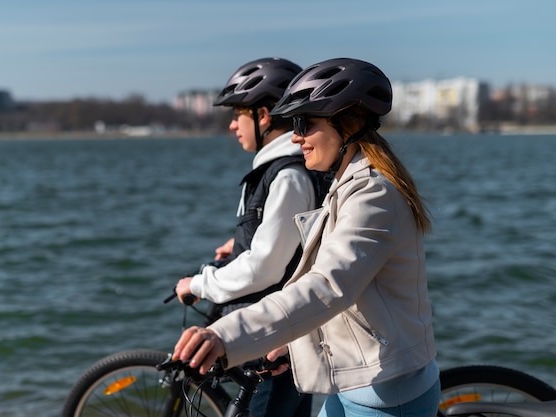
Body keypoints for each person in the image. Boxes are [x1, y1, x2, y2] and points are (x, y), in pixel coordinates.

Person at [172, 58, 440, 417]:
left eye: (304, 123)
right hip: (356, 383)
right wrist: (290, 343)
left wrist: (226, 336)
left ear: (345, 126)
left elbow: (327, 287)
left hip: (386, 394)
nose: (294, 135)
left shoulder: (372, 195)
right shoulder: (347, 184)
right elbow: (351, 296)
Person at [175, 57, 317, 417]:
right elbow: (283, 239)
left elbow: (265, 268)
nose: (232, 125)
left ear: (264, 115)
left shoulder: (287, 175)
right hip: (280, 334)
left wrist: (200, 283)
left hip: (273, 341)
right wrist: (236, 245)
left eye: (238, 114)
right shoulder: (282, 170)